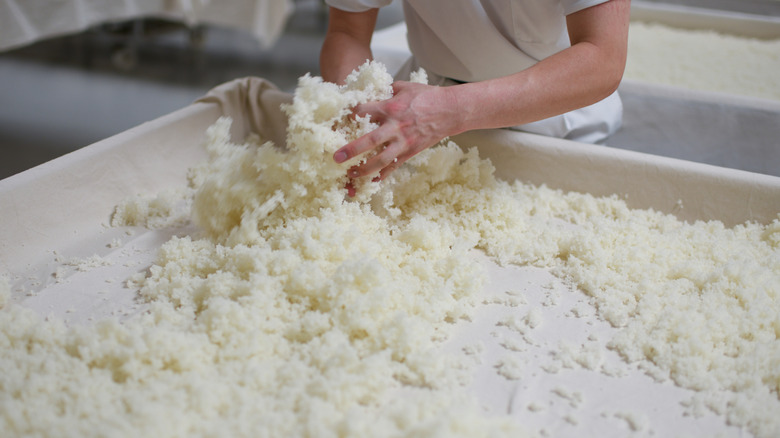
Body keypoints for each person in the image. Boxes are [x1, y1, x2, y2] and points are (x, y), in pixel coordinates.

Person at [320, 0, 630, 183]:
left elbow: (602, 59)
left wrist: (448, 110)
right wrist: (355, 111)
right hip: (418, 123)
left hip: (555, 122)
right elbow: (348, 31)